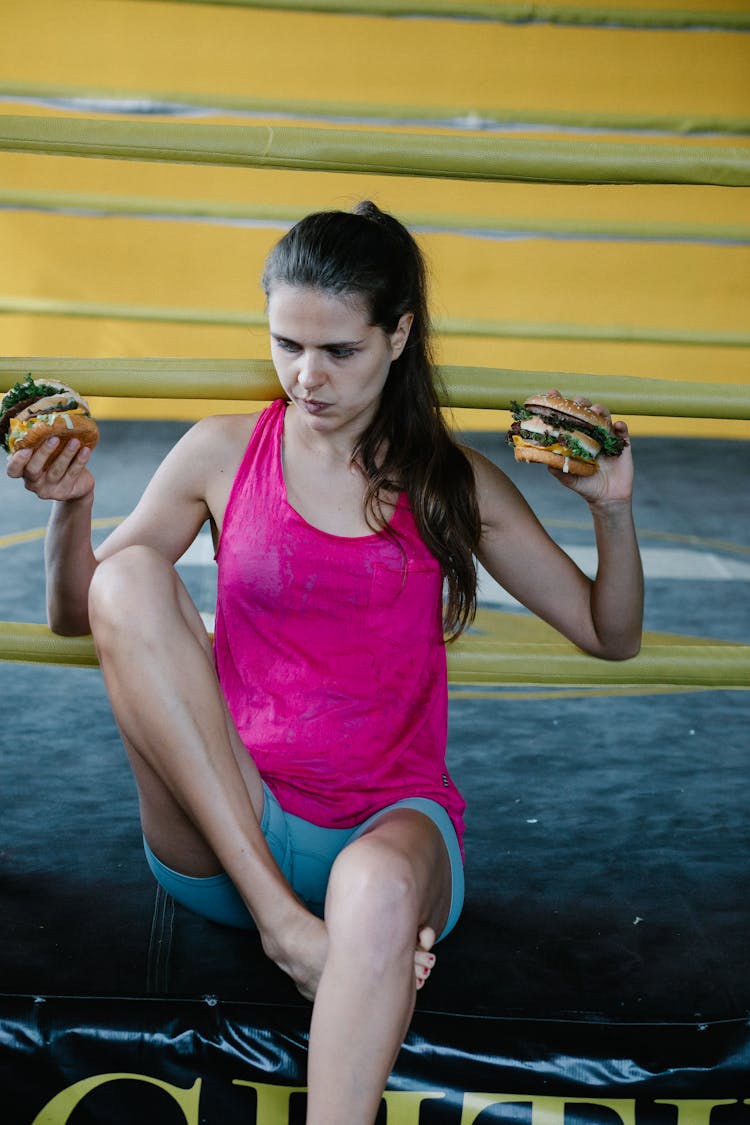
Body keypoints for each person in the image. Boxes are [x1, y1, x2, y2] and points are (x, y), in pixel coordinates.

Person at [6, 201, 643, 1124]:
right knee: (130, 578)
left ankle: (343, 955)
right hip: (230, 823)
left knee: (379, 891)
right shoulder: (222, 451)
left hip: (386, 826)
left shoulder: (448, 482)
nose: (306, 377)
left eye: (338, 351)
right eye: (286, 344)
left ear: (399, 335)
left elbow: (606, 631)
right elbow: (84, 612)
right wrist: (74, 505)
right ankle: (290, 931)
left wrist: (612, 510)